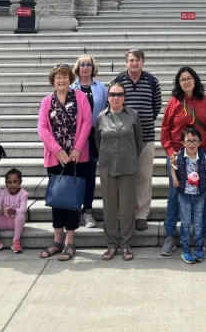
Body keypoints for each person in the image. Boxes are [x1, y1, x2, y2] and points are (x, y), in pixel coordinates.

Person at [160, 66, 206, 257]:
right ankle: (170, 236)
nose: (186, 82)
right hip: (178, 155)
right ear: (178, 82)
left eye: (189, 78)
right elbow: (165, 130)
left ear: (195, 80)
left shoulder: (204, 101)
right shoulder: (174, 102)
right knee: (174, 196)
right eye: (182, 79)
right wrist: (170, 153)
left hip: (199, 156)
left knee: (203, 197)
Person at [37, 64, 92, 261]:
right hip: (55, 157)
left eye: (65, 77)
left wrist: (76, 148)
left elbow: (87, 122)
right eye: (58, 78)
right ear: (53, 81)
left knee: (72, 200)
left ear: (70, 79)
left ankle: (70, 241)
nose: (61, 80)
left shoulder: (80, 97)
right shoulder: (46, 101)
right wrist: (58, 150)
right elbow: (42, 128)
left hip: (77, 156)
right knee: (57, 199)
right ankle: (57, 240)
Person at [112, 48, 162, 231]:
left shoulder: (151, 81)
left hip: (147, 137)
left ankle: (141, 215)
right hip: (123, 139)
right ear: (126, 62)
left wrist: (144, 122)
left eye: (138, 59)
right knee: (124, 178)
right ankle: (124, 214)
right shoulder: (118, 80)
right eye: (131, 60)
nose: (135, 63)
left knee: (144, 178)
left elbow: (156, 106)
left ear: (143, 61)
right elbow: (112, 105)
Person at [95, 82, 143, 261]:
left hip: (128, 166)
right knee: (109, 207)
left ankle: (126, 244)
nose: (116, 98)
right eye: (112, 94)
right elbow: (97, 142)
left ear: (124, 97)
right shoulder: (101, 117)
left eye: (120, 94)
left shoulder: (133, 115)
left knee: (126, 207)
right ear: (108, 97)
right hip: (107, 167)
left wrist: (129, 156)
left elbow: (138, 142)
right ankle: (112, 243)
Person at [70, 54, 107, 228]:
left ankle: (88, 211)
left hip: (93, 136)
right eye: (82, 64)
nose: (85, 67)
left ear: (93, 68)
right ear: (78, 68)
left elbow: (107, 109)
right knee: (75, 175)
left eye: (88, 64)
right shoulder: (71, 87)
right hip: (75, 137)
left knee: (90, 175)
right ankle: (75, 210)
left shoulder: (100, 87)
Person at [171, 126, 206, 264]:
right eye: (188, 141)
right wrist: (175, 179)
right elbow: (173, 167)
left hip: (199, 195)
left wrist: (204, 181)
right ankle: (186, 250)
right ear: (183, 142)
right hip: (184, 195)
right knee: (186, 223)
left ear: (199, 143)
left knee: (198, 223)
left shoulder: (203, 156)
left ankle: (199, 248)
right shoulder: (179, 155)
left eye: (195, 141)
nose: (191, 144)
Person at [0, 168, 28, 255]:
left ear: (20, 182)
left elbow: (23, 208)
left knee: (21, 216)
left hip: (15, 223)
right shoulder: (2, 193)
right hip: (3, 222)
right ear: (6, 183)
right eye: (9, 182)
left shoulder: (23, 194)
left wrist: (15, 211)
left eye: (15, 181)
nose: (12, 185)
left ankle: (16, 241)